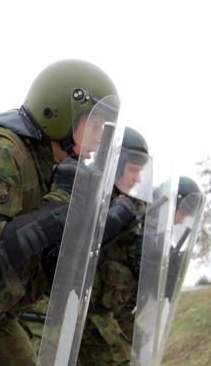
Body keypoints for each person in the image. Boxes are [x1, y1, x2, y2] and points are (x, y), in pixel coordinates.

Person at [0, 59, 119, 366]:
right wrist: (59, 209)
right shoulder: (2, 149)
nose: (99, 137)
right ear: (59, 113)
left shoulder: (47, 168)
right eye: (94, 124)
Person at [78, 126, 153, 366]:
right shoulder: (81, 193)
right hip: (71, 319)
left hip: (106, 319)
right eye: (133, 169)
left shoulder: (136, 211)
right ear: (116, 165)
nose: (138, 178)